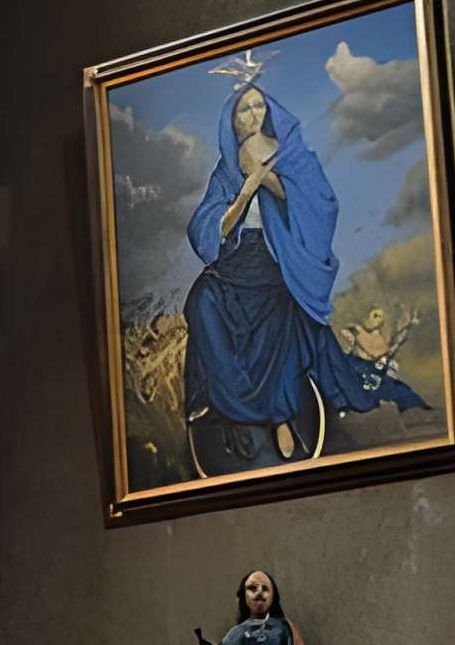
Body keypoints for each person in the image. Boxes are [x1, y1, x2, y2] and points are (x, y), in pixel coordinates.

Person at [183, 81, 428, 471]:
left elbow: (319, 203)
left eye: (257, 107)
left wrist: (266, 178)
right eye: (242, 110)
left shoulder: (292, 153)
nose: (251, 117)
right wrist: (245, 191)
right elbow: (206, 228)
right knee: (201, 302)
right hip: (234, 265)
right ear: (231, 119)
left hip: (276, 261)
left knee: (283, 312)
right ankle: (233, 404)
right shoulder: (227, 166)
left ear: (269, 111)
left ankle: (279, 414)